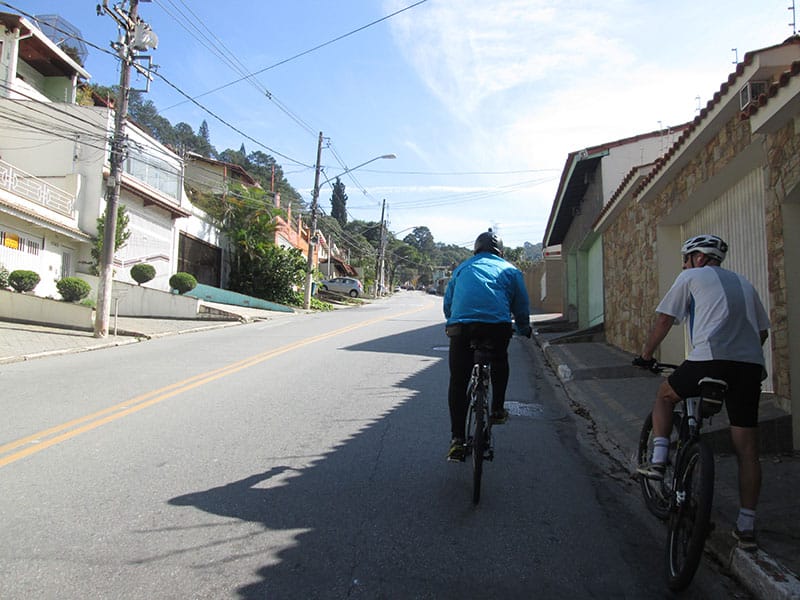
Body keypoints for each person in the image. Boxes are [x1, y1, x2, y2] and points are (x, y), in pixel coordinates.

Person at [633, 234, 770, 550]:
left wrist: (646, 355)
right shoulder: (745, 284)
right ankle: (746, 527)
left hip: (709, 359)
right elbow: (762, 331)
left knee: (664, 395)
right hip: (749, 366)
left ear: (697, 258)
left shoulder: (690, 277)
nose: (684, 265)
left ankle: (657, 460)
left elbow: (665, 320)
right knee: (747, 449)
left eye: (686, 259)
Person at [443, 230, 532, 462]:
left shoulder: (462, 268)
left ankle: (457, 440)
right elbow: (521, 305)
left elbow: (448, 303)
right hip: (497, 327)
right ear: (500, 251)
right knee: (500, 359)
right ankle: (497, 409)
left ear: (476, 249)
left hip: (461, 328)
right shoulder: (510, 270)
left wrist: (452, 319)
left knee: (458, 381)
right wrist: (523, 328)